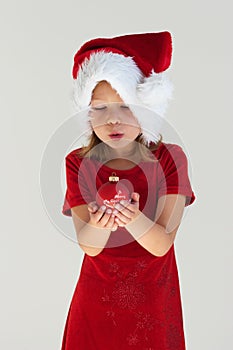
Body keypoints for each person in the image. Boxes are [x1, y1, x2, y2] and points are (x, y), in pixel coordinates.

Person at [61, 31, 196, 350]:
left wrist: (132, 217)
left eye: (125, 106)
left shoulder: (169, 159)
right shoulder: (78, 164)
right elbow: (89, 246)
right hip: (95, 303)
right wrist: (99, 224)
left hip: (152, 304)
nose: (112, 120)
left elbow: (161, 243)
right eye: (100, 109)